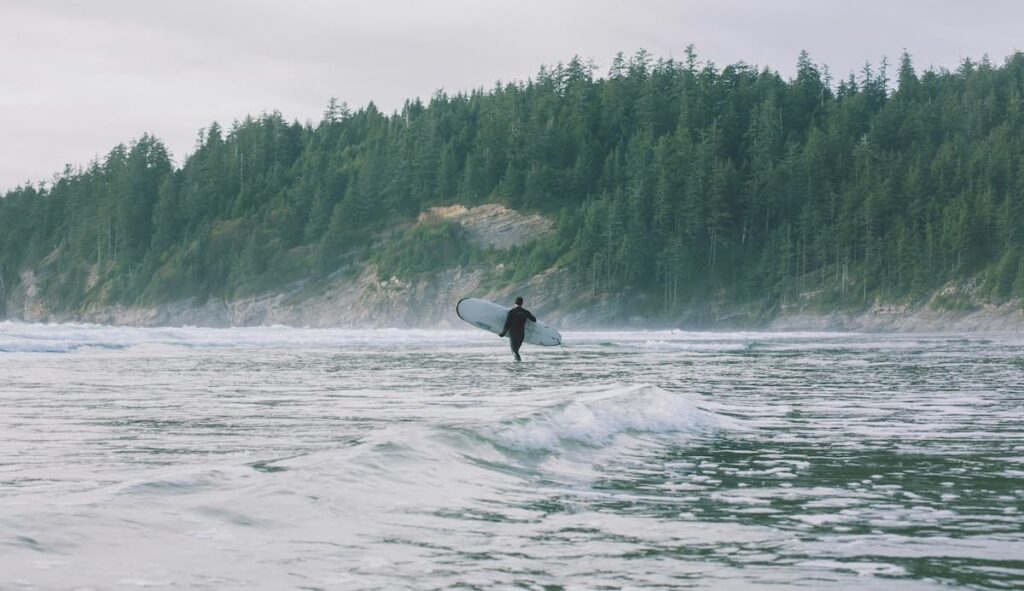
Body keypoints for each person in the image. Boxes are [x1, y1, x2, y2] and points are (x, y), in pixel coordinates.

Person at [498, 296, 536, 361]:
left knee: (514, 351)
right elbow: (534, 320)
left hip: (513, 333)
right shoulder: (526, 312)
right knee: (516, 351)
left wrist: (503, 332)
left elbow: (508, 323)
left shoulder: (511, 312)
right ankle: (518, 364)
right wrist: (527, 315)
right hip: (521, 334)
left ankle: (518, 366)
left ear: (515, 303)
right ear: (522, 303)